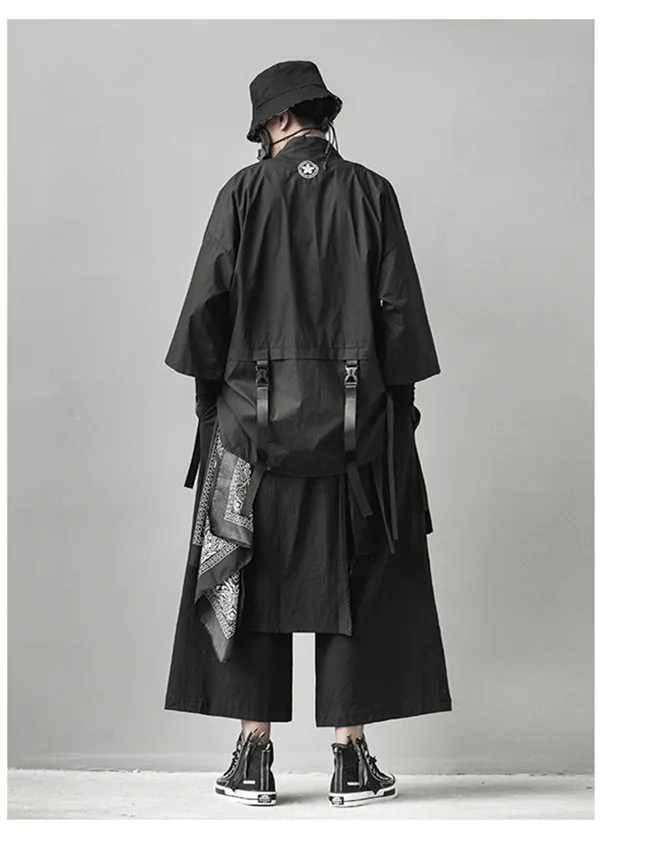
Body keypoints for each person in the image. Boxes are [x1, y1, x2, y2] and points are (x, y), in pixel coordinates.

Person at [163, 59, 451, 808]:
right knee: (358, 574)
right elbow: (400, 318)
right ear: (321, 117)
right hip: (359, 438)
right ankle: (352, 760)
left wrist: (213, 418)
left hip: (249, 436)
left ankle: (251, 756)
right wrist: (396, 419)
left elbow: (205, 316)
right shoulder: (373, 193)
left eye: (263, 126)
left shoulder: (243, 192)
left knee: (242, 569)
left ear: (277, 122)